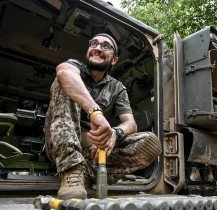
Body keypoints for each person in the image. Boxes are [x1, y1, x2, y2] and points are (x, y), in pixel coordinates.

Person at [44, 33, 161, 200]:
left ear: (114, 59)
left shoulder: (117, 87)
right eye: (94, 44)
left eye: (105, 46)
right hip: (61, 141)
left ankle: (85, 175)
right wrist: (95, 112)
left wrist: (115, 133)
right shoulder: (75, 68)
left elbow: (130, 123)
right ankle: (70, 170)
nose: (98, 48)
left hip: (92, 149)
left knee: (151, 143)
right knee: (63, 82)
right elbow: (63, 72)